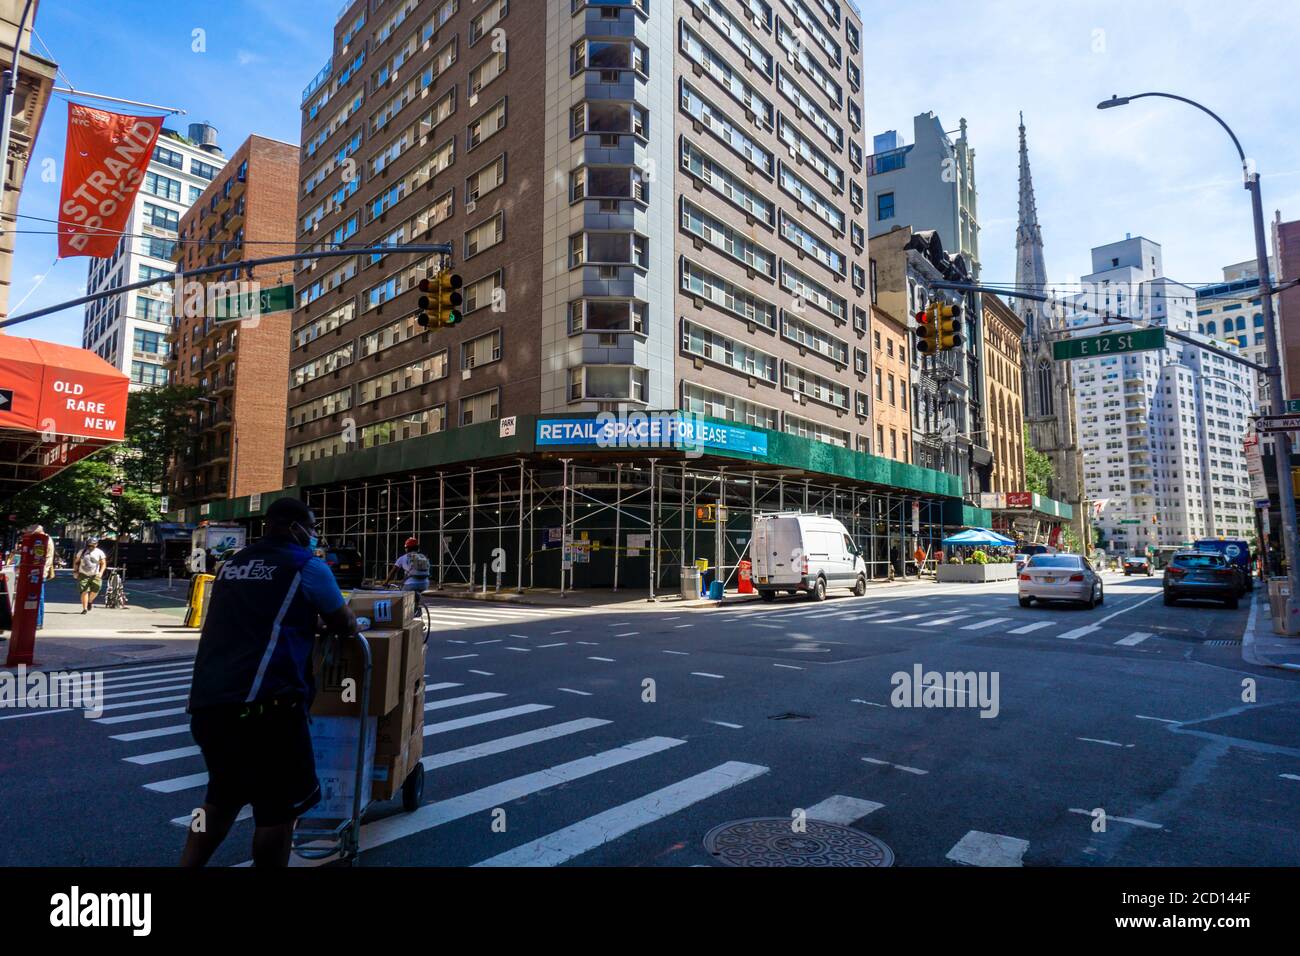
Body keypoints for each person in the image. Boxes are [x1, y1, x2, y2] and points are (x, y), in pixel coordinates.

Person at [181, 497, 356, 868]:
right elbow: (344, 623)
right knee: (278, 809)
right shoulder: (307, 566)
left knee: (222, 797)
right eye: (310, 528)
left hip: (209, 703)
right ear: (295, 528)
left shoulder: (233, 564)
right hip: (267, 707)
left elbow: (255, 617)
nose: (313, 535)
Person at [73, 537, 107, 614]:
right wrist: (75, 571)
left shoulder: (100, 552)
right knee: (84, 591)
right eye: (89, 545)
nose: (91, 547)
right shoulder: (82, 552)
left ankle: (90, 601)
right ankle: (84, 609)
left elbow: (103, 563)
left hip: (95, 575)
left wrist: (101, 572)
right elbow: (76, 562)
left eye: (92, 545)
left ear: (96, 544)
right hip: (83, 574)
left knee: (96, 589)